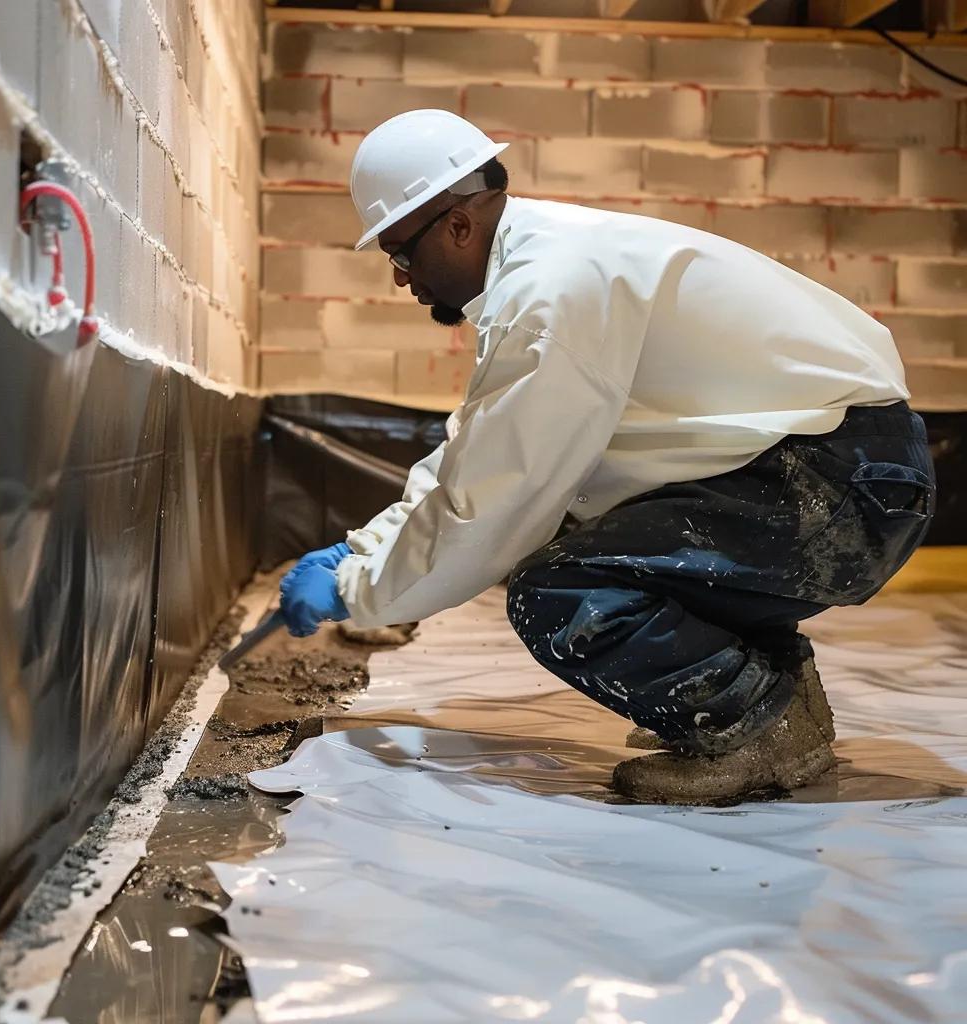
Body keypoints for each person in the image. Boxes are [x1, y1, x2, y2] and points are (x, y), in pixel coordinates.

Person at [278, 110, 935, 803]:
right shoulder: (551, 265)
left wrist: (358, 592)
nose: (401, 280)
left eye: (401, 254)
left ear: (458, 225)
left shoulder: (551, 291)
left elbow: (493, 505)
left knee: (558, 591)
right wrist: (360, 549)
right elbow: (481, 450)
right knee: (597, 534)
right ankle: (778, 706)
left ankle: (754, 724)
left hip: (842, 485)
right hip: (844, 470)